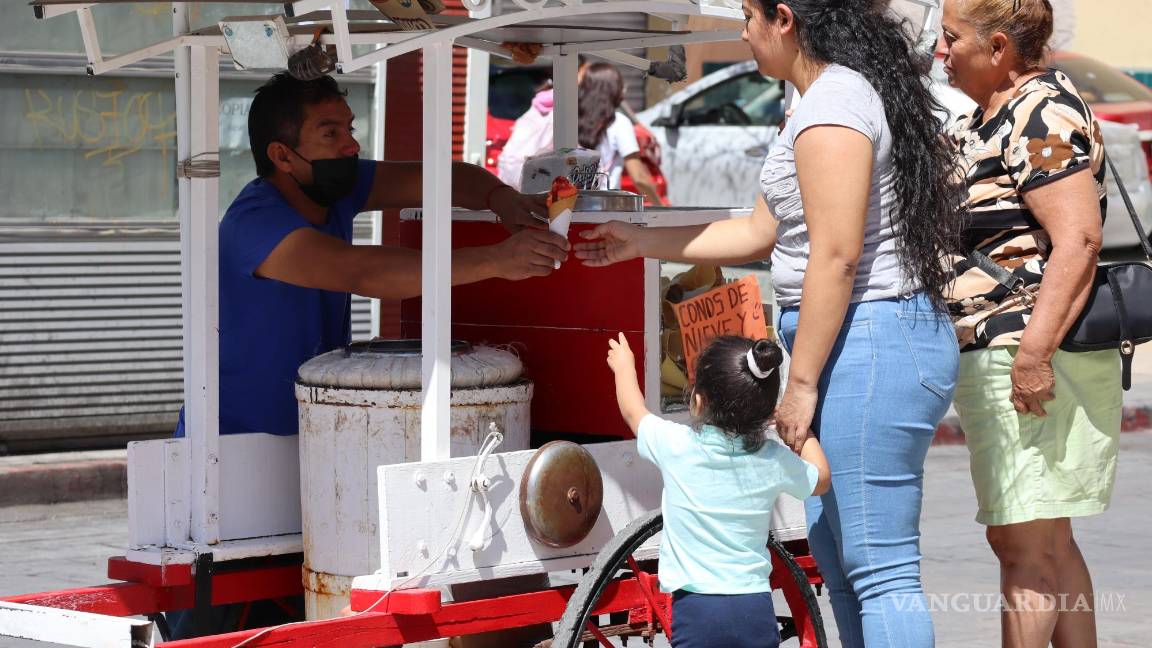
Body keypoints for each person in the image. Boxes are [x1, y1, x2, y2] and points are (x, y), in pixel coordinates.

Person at [577, 0, 965, 644]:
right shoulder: (814, 101)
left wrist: (802, 383)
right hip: (851, 338)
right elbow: (761, 230)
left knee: (879, 569)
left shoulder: (834, 106)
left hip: (871, 339)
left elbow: (836, 257)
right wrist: (638, 240)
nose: (741, 32)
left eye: (747, 17)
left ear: (783, 18)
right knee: (840, 564)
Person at [174, 72, 569, 439]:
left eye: (350, 128)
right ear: (282, 156)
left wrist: (503, 199)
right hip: (229, 442)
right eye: (330, 133)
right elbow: (364, 272)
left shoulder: (334, 186)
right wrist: (496, 261)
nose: (351, 145)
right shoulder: (256, 224)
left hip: (312, 425)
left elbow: (445, 179)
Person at [938, 1, 1121, 645]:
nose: (941, 52)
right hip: (1011, 348)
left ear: (998, 50)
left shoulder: (1041, 111)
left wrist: (1033, 355)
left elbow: (1078, 240)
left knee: (1026, 555)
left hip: (1025, 348)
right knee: (1042, 541)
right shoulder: (991, 113)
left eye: (951, 38)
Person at [606, 333, 830, 648]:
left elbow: (633, 411)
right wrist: (802, 434)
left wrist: (624, 367)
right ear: (766, 412)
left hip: (697, 611)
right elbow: (821, 478)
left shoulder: (676, 445)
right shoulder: (772, 460)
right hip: (754, 607)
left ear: (699, 401)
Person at [577, 62, 662, 204]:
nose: (625, 89)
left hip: (572, 205)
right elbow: (639, 177)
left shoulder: (572, 119)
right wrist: (660, 206)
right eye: (620, 84)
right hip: (605, 208)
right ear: (612, 89)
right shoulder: (619, 123)